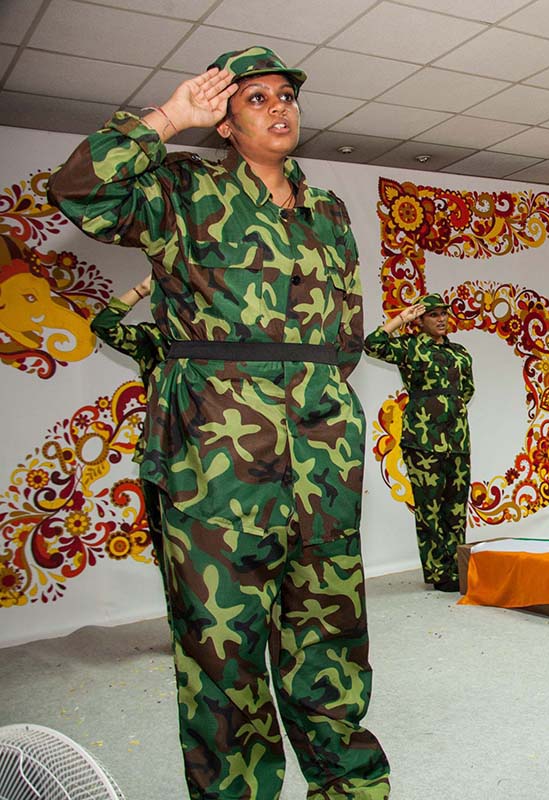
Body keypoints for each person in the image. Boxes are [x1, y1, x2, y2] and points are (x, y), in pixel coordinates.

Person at [48, 47, 390, 798]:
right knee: (221, 653)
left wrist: (320, 400)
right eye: (256, 98)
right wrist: (168, 119)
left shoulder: (326, 209)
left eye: (287, 96)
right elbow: (74, 189)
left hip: (322, 452)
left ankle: (351, 789)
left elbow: (347, 333)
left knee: (330, 639)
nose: (278, 108)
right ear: (227, 123)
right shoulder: (179, 189)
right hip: (213, 458)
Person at [364, 295, 473, 592]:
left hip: (457, 439)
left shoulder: (460, 353)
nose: (440, 319)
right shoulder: (409, 348)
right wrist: (401, 319)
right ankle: (438, 572)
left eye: (444, 314)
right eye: (433, 315)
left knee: (455, 507)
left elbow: (467, 390)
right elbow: (373, 344)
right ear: (421, 321)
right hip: (423, 441)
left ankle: (456, 567)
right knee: (429, 508)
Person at [90, 273, 171, 567]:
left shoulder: (217, 337)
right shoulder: (153, 340)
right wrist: (141, 289)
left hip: (213, 451)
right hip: (164, 452)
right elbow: (103, 326)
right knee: (171, 547)